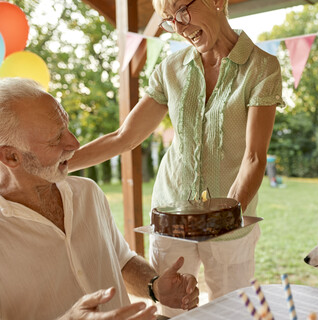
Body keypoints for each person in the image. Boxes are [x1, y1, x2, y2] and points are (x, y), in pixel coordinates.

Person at [68, 0, 284, 316]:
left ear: (217, 1)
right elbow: (124, 137)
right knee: (172, 307)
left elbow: (254, 157)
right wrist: (59, 164)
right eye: (169, 21)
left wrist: (222, 221)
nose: (179, 28)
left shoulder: (262, 66)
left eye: (181, 12)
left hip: (230, 221)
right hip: (171, 214)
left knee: (232, 310)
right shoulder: (171, 67)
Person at [0, 77, 199, 320]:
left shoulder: (87, 193)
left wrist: (155, 286)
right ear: (11, 157)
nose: (74, 143)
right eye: (56, 139)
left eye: (67, 127)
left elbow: (121, 260)